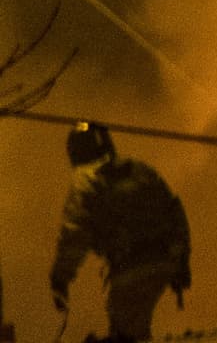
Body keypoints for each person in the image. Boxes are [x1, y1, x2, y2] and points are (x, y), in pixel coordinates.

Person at [49, 122, 190, 343]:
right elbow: (173, 211)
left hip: (130, 267)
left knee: (126, 332)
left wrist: (60, 277)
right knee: (132, 328)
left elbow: (75, 235)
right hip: (164, 260)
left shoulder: (85, 180)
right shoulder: (138, 169)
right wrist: (181, 260)